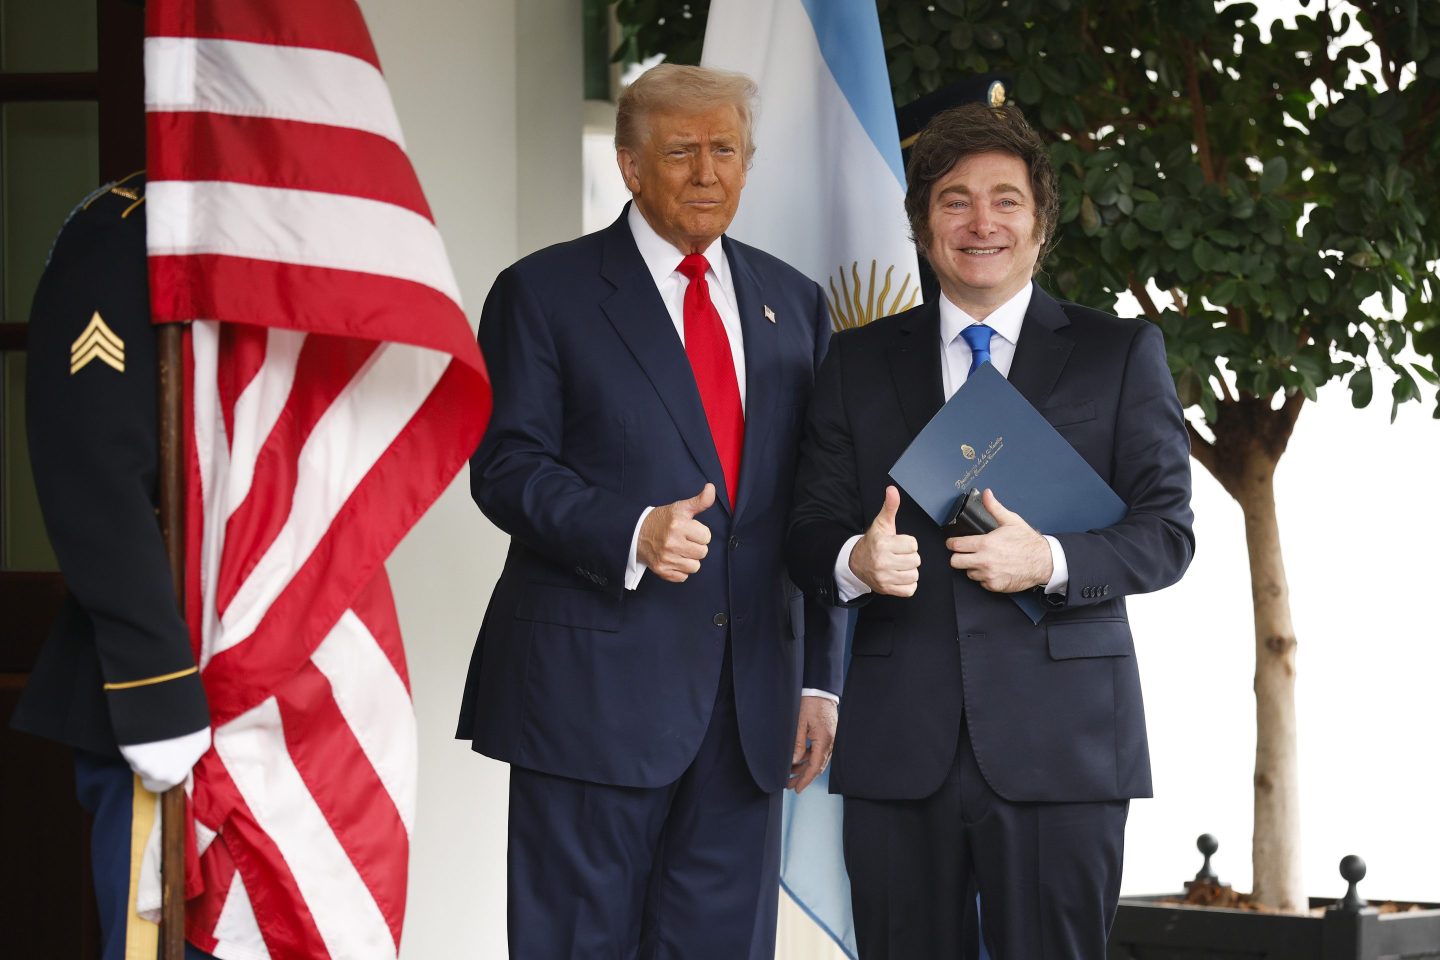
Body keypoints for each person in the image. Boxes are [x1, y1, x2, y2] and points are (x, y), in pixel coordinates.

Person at [786, 102, 1195, 958]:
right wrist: (854, 560)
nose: (982, 223)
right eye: (955, 200)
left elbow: (1166, 535)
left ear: (1041, 224)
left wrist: (1045, 558)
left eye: (1006, 200)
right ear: (924, 224)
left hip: (1064, 747)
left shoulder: (1118, 352)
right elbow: (807, 528)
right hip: (902, 746)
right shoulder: (857, 361)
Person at [455, 63, 845, 959]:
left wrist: (820, 679)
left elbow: (817, 503)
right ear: (631, 166)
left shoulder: (796, 304)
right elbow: (503, 465)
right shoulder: (543, 293)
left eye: (726, 150)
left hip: (751, 709)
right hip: (590, 701)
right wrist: (628, 530)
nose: (707, 171)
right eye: (681, 151)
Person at [12, 173, 215, 960]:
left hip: (286, 679)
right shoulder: (126, 226)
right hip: (163, 675)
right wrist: (156, 690)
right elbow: (92, 464)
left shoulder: (299, 209)